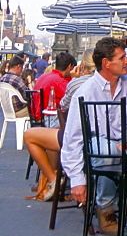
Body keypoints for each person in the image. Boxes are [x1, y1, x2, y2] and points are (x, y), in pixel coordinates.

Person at [61, 37, 127, 235]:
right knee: (107, 149)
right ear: (106, 63)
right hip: (99, 147)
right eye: (122, 58)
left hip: (126, 145)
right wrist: (76, 179)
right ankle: (106, 209)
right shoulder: (86, 91)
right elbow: (73, 138)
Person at [23, 50, 96, 203]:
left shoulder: (48, 76)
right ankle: (55, 178)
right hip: (100, 138)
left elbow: (64, 106)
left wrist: (74, 80)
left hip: (60, 126)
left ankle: (54, 179)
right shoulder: (114, 83)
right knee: (54, 134)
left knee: (34, 136)